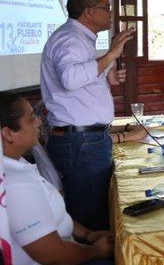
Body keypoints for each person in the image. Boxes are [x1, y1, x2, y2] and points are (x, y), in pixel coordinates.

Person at [41, 0, 147, 231]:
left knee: (96, 209)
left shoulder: (79, 39)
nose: (111, 13)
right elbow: (70, 79)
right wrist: (111, 55)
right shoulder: (70, 39)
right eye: (107, 8)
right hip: (81, 142)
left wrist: (105, 77)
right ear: (88, 12)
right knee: (92, 217)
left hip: (86, 139)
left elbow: (79, 82)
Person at [1, 92, 114, 264]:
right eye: (31, 119)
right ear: (9, 133)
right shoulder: (15, 184)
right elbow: (52, 255)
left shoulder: (17, 163)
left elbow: (53, 215)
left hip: (72, 245)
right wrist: (96, 251)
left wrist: (88, 235)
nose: (39, 122)